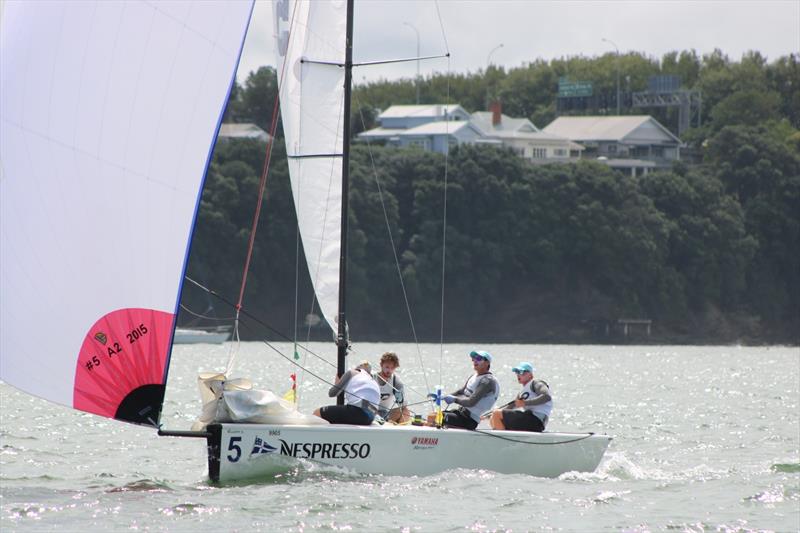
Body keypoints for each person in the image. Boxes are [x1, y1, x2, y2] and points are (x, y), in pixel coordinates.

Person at [430, 350, 500, 430]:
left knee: (434, 418)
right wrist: (443, 397)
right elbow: (461, 392)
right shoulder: (473, 376)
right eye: (473, 358)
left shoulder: (487, 381)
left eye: (479, 358)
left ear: (487, 363)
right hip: (460, 414)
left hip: (469, 420)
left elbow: (471, 402)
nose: (475, 361)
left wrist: (454, 399)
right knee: (433, 415)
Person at [489, 361, 552, 432]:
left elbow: (547, 396)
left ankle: (502, 440)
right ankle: (504, 438)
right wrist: (487, 416)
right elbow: (509, 408)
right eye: (517, 372)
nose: (518, 375)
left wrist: (525, 403)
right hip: (530, 420)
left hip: (537, 421)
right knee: (493, 418)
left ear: (530, 375)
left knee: (496, 414)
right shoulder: (522, 392)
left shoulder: (536, 383)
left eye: (522, 372)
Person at [313, 361, 380, 426]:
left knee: (317, 413)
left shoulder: (352, 372)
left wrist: (337, 383)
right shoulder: (373, 380)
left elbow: (332, 393)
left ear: (358, 368)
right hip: (370, 417)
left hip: (358, 412)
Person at [374, 352, 411, 423]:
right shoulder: (372, 377)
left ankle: (398, 431)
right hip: (371, 411)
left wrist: (400, 399)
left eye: (392, 368)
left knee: (405, 411)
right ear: (381, 365)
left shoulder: (396, 381)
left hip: (385, 414)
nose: (389, 371)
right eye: (387, 367)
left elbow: (402, 403)